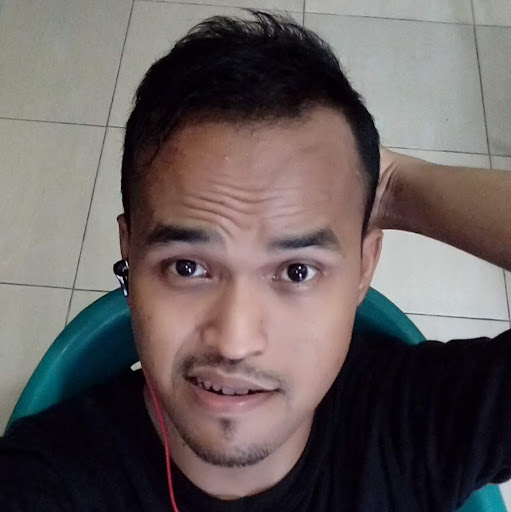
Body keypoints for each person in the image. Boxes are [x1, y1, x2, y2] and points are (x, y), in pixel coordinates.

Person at [1, 10, 510, 512]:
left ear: (364, 268)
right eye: (187, 267)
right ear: (129, 255)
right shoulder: (48, 478)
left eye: (297, 271)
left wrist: (398, 187)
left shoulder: (414, 427)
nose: (235, 342)